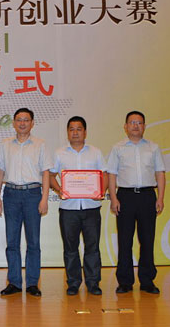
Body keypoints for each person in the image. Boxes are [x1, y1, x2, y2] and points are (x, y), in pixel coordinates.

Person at [0, 108, 52, 297]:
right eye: (19, 120)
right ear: (13, 123)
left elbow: (46, 173)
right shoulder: (5, 145)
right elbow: (0, 172)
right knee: (12, 241)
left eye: (26, 120)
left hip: (33, 194)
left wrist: (44, 198)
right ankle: (14, 282)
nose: (22, 123)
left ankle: (33, 283)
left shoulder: (40, 144)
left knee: (33, 242)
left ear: (32, 123)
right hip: (11, 194)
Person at [107, 111, 166, 295]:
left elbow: (160, 173)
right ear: (125, 127)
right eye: (132, 122)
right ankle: (125, 281)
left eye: (139, 123)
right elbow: (111, 174)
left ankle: (147, 281)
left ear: (144, 126)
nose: (135, 126)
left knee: (147, 240)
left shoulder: (153, 148)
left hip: (148, 196)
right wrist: (113, 198)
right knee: (125, 240)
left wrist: (160, 197)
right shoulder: (117, 148)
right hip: (125, 196)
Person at [49, 116, 107, 296]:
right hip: (68, 208)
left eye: (79, 129)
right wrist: (60, 190)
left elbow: (105, 175)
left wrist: (101, 191)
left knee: (92, 247)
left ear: (85, 132)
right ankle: (73, 283)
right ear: (67, 132)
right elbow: (50, 176)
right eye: (72, 129)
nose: (75, 132)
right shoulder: (59, 153)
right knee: (70, 248)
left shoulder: (95, 152)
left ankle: (93, 283)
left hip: (91, 207)